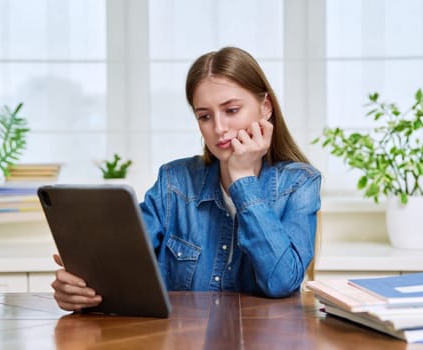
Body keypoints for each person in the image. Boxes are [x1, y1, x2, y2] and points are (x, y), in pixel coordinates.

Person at [51, 47, 321, 311]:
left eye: (231, 110)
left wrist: (242, 180)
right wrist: (80, 290)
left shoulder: (299, 184)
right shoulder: (173, 183)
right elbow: (118, 268)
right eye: (204, 116)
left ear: (265, 107)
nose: (218, 128)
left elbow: (282, 282)